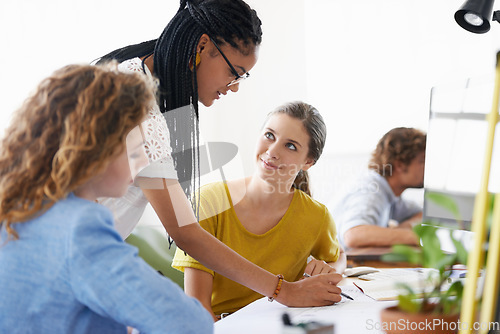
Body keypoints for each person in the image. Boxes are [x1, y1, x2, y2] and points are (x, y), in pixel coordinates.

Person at [96, 0, 342, 307]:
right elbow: (185, 233)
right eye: (234, 72)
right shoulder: (139, 106)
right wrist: (286, 291)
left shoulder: (135, 79)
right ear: (202, 46)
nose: (234, 86)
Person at [0, 63, 213, 333]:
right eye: (136, 151)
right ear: (97, 149)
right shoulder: (81, 227)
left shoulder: (15, 208)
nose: (145, 160)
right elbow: (189, 323)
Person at [172, 102, 346, 320]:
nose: (272, 151)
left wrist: (333, 267)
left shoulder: (317, 216)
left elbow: (339, 254)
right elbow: (198, 309)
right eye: (270, 135)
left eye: (290, 146)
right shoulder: (207, 201)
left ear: (308, 162)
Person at [333, 127, 426, 248]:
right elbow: (353, 235)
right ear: (400, 165)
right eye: (422, 161)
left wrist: (402, 228)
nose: (428, 167)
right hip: (344, 265)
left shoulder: (390, 193)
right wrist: (417, 237)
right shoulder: (371, 190)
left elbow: (422, 214)